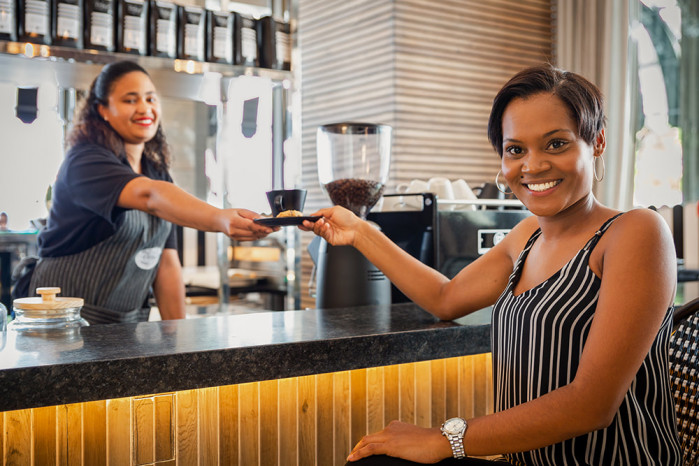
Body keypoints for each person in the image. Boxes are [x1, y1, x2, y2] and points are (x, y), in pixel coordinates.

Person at [302, 64, 682, 465]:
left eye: (556, 144)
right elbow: (445, 297)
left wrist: (443, 440)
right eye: (515, 150)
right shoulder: (526, 236)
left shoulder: (636, 232)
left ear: (597, 141)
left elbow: (591, 405)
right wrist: (359, 231)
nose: (533, 166)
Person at [27, 61, 276, 324]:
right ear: (103, 110)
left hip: (124, 326)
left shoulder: (156, 172)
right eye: (130, 100)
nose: (145, 108)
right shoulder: (85, 162)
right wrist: (221, 218)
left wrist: (178, 335)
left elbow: (166, 264)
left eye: (150, 98)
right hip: (60, 323)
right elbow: (150, 196)